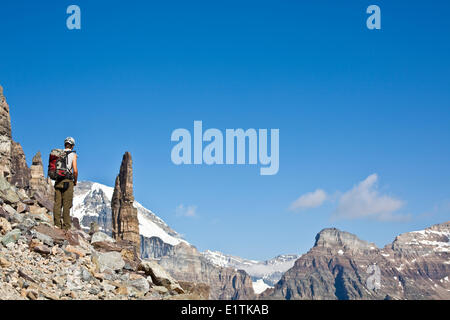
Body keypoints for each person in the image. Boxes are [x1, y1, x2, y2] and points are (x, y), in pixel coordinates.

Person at [53, 137, 78, 230]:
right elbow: (75, 170)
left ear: (65, 144)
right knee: (66, 205)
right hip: (68, 181)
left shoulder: (58, 154)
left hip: (57, 180)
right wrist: (75, 181)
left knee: (57, 204)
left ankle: (56, 225)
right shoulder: (73, 154)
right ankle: (66, 228)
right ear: (72, 145)